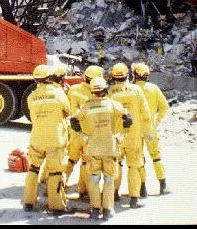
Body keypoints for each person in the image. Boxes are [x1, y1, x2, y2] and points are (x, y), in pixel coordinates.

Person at [70, 77, 132, 220]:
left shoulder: (87, 106)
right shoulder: (113, 104)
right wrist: (121, 136)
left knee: (94, 178)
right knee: (109, 179)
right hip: (110, 146)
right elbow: (129, 120)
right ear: (105, 89)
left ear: (92, 91)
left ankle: (95, 209)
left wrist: (83, 136)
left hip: (93, 147)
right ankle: (108, 209)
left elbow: (73, 121)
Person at [23, 64, 70, 214]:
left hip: (37, 138)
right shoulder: (59, 93)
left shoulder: (31, 96)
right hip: (55, 138)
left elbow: (33, 117)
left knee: (34, 169)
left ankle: (28, 202)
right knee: (55, 171)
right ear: (50, 78)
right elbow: (67, 111)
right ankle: (56, 205)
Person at [108, 62, 152, 208]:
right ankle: (134, 199)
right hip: (134, 134)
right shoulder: (136, 90)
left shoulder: (110, 92)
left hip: (117, 135)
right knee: (134, 166)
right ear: (128, 75)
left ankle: (114, 194)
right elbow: (146, 114)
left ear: (114, 76)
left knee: (117, 164)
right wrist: (148, 132)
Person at [65, 65, 104, 197]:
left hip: (74, 131)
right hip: (89, 133)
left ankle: (57, 187)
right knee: (86, 162)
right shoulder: (97, 94)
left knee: (70, 160)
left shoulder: (74, 89)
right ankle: (84, 191)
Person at [132, 62, 170, 196]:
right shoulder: (154, 88)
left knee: (139, 158)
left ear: (136, 75)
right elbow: (165, 107)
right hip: (150, 127)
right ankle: (163, 186)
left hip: (135, 129)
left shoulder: (131, 89)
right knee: (156, 156)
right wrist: (157, 121)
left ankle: (142, 189)